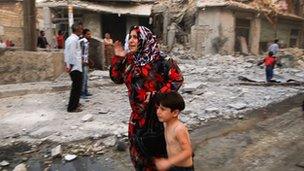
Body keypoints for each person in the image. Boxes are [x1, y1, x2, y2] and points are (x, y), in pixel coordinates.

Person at [109, 26, 184, 170]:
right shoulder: (130, 59)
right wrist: (118, 57)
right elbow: (116, 78)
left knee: (156, 157)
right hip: (136, 119)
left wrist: (157, 96)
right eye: (130, 37)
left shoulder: (161, 60)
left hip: (156, 117)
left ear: (145, 39)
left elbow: (177, 79)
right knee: (138, 156)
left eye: (135, 37)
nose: (131, 40)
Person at [155, 92, 194, 171]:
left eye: (162, 109)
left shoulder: (179, 129)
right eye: (158, 107)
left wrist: (168, 162)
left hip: (184, 168)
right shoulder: (166, 124)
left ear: (175, 113)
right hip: (174, 165)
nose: (158, 111)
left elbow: (188, 151)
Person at [64, 24, 83, 112]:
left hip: (75, 66)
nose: (82, 30)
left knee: (77, 86)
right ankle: (72, 107)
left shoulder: (73, 39)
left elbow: (68, 53)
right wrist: (70, 66)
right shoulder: (73, 40)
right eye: (81, 29)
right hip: (74, 67)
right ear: (77, 29)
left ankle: (75, 103)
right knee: (76, 87)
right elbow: (71, 54)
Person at [79, 28, 92, 98]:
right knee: (83, 78)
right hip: (82, 62)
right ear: (84, 35)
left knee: (86, 77)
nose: (89, 35)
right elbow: (80, 52)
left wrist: (88, 60)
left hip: (86, 61)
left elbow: (86, 53)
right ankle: (82, 92)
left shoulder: (87, 42)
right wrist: (82, 61)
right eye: (88, 34)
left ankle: (85, 91)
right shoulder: (82, 41)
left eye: (90, 34)